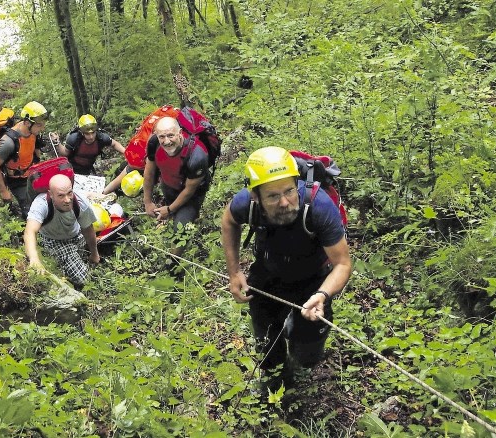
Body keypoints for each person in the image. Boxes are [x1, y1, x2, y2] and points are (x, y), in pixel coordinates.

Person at [220, 146, 352, 395]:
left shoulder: (319, 207)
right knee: (267, 342)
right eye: (272, 196)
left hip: (313, 281)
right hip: (267, 276)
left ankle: (298, 356)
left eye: (290, 191)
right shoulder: (245, 203)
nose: (284, 202)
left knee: (307, 356)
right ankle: (275, 382)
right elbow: (229, 221)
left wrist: (322, 296)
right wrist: (234, 271)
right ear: (256, 197)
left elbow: (343, 263)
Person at [143, 116, 210, 256]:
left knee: (180, 230)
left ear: (180, 132)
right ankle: (181, 218)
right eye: (162, 136)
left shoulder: (197, 155)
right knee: (175, 216)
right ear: (156, 135)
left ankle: (173, 263)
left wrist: (169, 209)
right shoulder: (154, 143)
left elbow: (189, 190)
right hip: (168, 185)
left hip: (192, 194)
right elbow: (149, 172)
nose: (166, 141)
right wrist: (147, 202)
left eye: (171, 135)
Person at [24, 174, 100, 289]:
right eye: (61, 196)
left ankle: (72, 259)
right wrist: (34, 258)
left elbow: (88, 229)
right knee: (83, 279)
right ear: (51, 194)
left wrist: (95, 253)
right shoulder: (41, 204)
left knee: (83, 257)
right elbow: (30, 231)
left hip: (76, 234)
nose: (67, 200)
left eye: (70, 193)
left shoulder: (80, 202)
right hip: (54, 240)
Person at [0, 101, 47, 219]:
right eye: (39, 125)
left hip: (31, 172)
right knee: (29, 210)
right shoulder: (8, 142)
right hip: (16, 179)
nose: (42, 128)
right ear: (27, 122)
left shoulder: (33, 132)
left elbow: (34, 149)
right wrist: (3, 191)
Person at [50, 114, 125, 175]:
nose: (91, 137)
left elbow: (114, 144)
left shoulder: (101, 138)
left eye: (93, 133)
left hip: (89, 167)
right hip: (72, 167)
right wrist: (57, 143)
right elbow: (65, 153)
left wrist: (126, 153)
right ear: (82, 133)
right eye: (87, 134)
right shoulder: (74, 138)